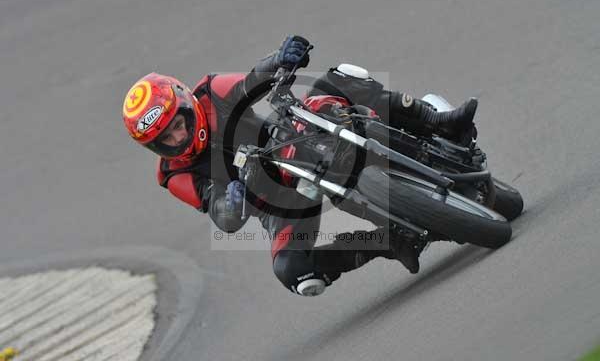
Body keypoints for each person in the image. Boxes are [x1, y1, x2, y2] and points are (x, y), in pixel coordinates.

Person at [122, 35, 478, 296]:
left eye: (178, 124)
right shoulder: (173, 175)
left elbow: (252, 80)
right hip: (276, 202)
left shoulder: (210, 91)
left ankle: (439, 121)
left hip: (289, 139)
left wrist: (282, 56)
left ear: (186, 103)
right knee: (293, 271)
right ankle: (388, 242)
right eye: (164, 140)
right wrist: (230, 204)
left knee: (340, 79)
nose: (177, 138)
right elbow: (222, 216)